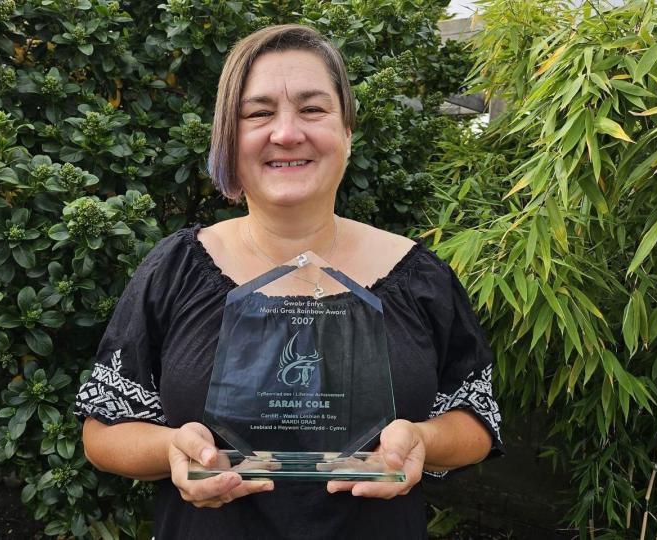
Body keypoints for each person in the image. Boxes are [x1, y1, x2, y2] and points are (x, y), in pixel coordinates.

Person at [74, 24, 503, 539]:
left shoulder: (418, 275)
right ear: (229, 139)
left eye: (313, 109)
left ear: (347, 130)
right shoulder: (176, 269)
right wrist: (168, 451)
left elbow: (475, 420)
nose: (285, 133)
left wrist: (423, 440)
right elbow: (102, 432)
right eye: (258, 113)